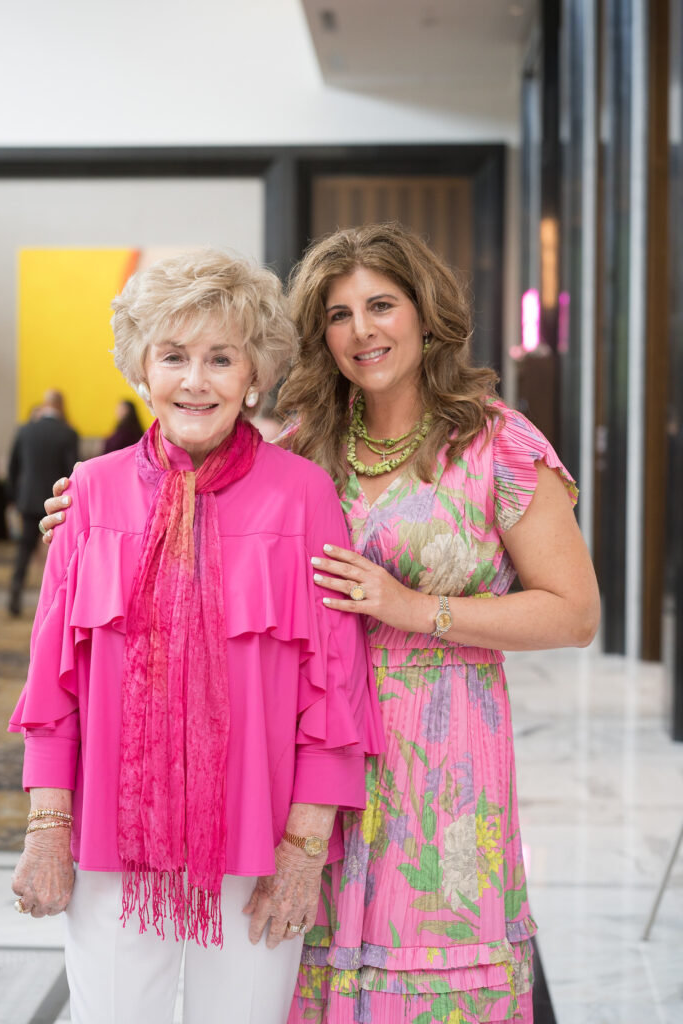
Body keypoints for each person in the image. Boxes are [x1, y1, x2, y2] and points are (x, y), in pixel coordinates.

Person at [40, 224, 601, 1024]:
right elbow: (200, 479)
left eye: (382, 305)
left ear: (427, 313)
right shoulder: (307, 446)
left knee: (427, 973)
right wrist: (84, 508)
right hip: (294, 763)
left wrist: (410, 609)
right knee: (303, 984)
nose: (362, 330)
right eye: (339, 314)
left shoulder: (497, 445)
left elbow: (575, 613)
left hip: (436, 754)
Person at [9, 250, 383, 1024]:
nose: (195, 380)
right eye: (173, 356)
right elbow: (53, 686)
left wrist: (305, 851)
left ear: (255, 376)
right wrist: (48, 831)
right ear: (141, 372)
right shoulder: (89, 492)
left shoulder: (304, 496)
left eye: (221, 358)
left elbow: (338, 688)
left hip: (259, 842)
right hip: (111, 842)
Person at [6, 389, 79, 616]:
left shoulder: (25, 431)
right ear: (61, 406)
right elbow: (73, 471)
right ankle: (56, 606)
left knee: (24, 550)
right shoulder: (68, 433)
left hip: (28, 500)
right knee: (58, 554)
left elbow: (12, 468)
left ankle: (15, 594)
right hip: (58, 503)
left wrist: (14, 497)